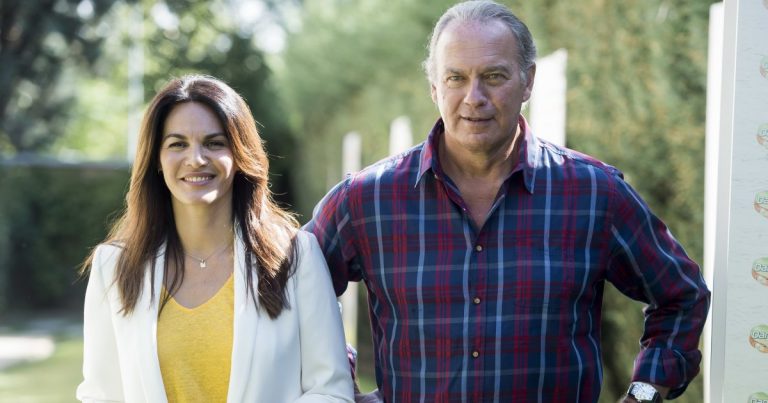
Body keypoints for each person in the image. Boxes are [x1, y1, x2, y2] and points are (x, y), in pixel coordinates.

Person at [305, 1, 710, 402]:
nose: (473, 97)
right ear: (434, 87)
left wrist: (643, 395)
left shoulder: (594, 194)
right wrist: (334, 387)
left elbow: (681, 295)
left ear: (527, 80)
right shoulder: (366, 200)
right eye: (455, 78)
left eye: (494, 76)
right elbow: (290, 294)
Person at [77, 75, 354, 402]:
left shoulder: (297, 257)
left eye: (214, 143)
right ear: (156, 159)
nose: (196, 159)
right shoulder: (114, 266)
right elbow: (101, 395)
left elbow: (331, 391)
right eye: (177, 144)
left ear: (239, 156)